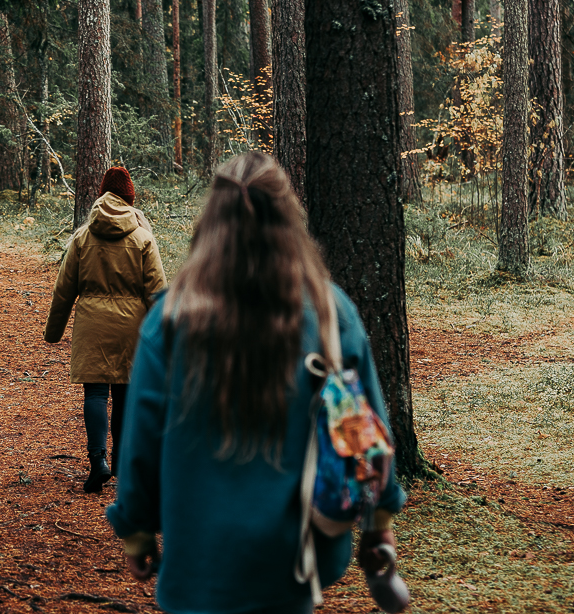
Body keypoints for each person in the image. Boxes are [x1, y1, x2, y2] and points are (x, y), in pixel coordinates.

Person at [105, 152, 405, 614]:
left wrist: (137, 530)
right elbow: (369, 435)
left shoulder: (170, 319)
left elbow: (139, 441)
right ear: (289, 221)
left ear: (211, 222)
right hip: (292, 567)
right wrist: (378, 524)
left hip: (198, 566)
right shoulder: (329, 313)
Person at [45, 167, 167, 493]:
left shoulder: (83, 236)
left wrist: (53, 331)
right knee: (126, 397)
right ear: (130, 198)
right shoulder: (143, 237)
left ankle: (98, 461)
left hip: (92, 326)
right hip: (132, 329)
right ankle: (123, 463)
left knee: (96, 394)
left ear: (101, 195)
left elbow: (64, 288)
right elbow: (157, 290)